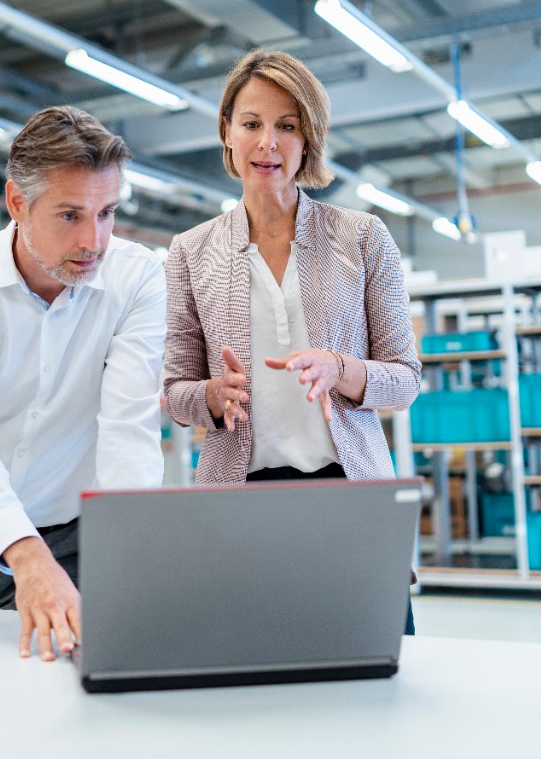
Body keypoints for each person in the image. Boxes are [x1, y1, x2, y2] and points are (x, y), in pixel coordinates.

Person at [162, 49, 422, 632]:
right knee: (256, 676)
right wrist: (210, 396)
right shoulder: (190, 252)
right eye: (251, 124)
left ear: (309, 140)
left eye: (287, 126)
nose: (268, 144)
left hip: (349, 491)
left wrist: (340, 368)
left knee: (374, 667)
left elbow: (406, 378)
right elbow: (173, 389)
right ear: (227, 132)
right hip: (241, 496)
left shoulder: (360, 238)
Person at [0, 105, 166, 661]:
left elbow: (128, 429)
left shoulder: (137, 279)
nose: (94, 240)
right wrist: (24, 553)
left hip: (73, 539)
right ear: (18, 203)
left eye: (108, 213)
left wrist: (130, 553)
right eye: (70, 215)